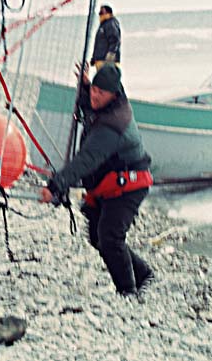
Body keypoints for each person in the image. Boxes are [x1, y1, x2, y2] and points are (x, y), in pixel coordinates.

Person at [40, 64, 154, 296]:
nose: (94, 96)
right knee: (96, 236)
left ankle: (128, 292)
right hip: (107, 183)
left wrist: (55, 186)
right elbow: (89, 106)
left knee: (110, 237)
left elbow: (86, 160)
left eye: (100, 93)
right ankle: (143, 274)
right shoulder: (105, 103)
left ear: (114, 94)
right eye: (94, 90)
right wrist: (85, 87)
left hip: (130, 185)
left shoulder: (114, 124)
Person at [90, 4, 121, 70]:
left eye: (102, 13)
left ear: (109, 13)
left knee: (107, 79)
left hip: (106, 61)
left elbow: (115, 40)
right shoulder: (104, 25)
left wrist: (110, 56)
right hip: (100, 60)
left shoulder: (110, 24)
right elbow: (99, 44)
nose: (100, 15)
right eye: (99, 13)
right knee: (101, 79)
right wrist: (94, 58)